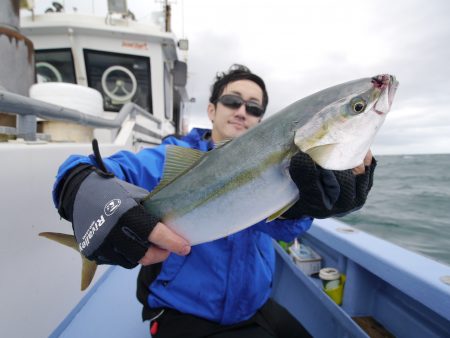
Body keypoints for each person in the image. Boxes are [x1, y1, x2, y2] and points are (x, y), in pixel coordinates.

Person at [53, 64, 376, 337]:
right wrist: (80, 184)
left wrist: (304, 205)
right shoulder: (170, 158)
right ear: (211, 109)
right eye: (232, 101)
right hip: (181, 312)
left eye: (254, 108)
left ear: (261, 120)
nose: (241, 111)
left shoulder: (281, 167)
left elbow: (285, 232)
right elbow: (90, 170)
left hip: (253, 307)